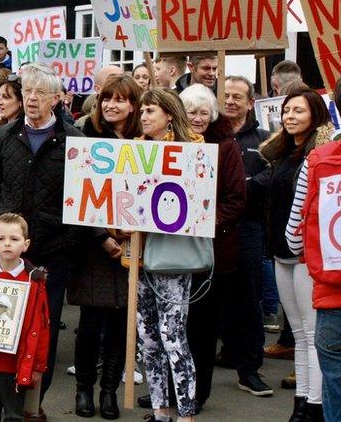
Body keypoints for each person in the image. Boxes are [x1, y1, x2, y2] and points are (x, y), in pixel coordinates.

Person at [0, 66, 84, 418]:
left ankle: (31, 404)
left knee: (43, 334)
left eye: (41, 93)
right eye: (28, 92)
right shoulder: (4, 135)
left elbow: (83, 198)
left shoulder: (72, 141)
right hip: (6, 252)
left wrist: (67, 242)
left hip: (51, 254)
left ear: (57, 99)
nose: (32, 98)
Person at [179, 85, 268, 407]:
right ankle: (174, 387)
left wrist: (200, 221)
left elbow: (235, 199)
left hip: (210, 251)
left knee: (203, 326)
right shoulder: (171, 145)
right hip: (173, 252)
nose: (198, 118)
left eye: (204, 113)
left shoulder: (226, 147)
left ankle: (198, 392)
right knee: (175, 325)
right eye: (191, 112)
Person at [250, 86, 333, 422]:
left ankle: (315, 406)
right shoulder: (282, 154)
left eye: (297, 110)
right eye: (286, 111)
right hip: (281, 254)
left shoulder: (320, 155)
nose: (289, 116)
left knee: (312, 334)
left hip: (305, 256)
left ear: (315, 114)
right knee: (298, 333)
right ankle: (301, 403)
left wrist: (298, 244)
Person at [286, 70, 341, 421]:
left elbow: (293, 238)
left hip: (335, 306)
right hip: (334, 303)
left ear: (339, 112)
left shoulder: (317, 161)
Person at [68, 75, 141, 419]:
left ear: (133, 105)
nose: (111, 105)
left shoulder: (146, 142)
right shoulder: (85, 138)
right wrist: (103, 237)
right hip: (94, 247)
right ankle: (84, 389)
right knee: (91, 321)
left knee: (121, 324)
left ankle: (109, 390)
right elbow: (79, 192)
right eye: (106, 98)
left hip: (133, 244)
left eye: (120, 100)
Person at [133, 87, 200, 422]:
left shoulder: (192, 151)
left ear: (169, 115)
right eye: (142, 111)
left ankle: (186, 413)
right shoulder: (134, 151)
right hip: (139, 257)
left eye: (151, 111)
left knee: (173, 336)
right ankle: (160, 411)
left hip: (172, 256)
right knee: (147, 337)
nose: (144, 117)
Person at [221, 75, 280, 352]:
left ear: (250, 103)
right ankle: (227, 350)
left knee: (248, 293)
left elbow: (275, 171)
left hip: (249, 226)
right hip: (218, 227)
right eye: (226, 96)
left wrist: (246, 187)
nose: (230, 102)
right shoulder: (211, 136)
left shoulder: (265, 139)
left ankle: (250, 359)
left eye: (237, 97)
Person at [0, 213, 49, 421]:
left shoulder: (33, 282)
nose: (7, 244)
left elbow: (41, 326)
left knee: (14, 415)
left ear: (25, 244)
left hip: (15, 364)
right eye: (1, 239)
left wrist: (39, 365)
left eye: (14, 239)